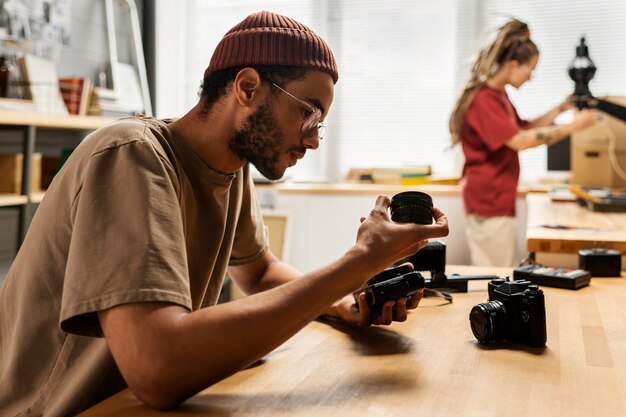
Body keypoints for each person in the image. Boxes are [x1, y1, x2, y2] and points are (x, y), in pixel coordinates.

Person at [0, 11, 448, 415]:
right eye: (308, 114)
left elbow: (259, 272)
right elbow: (159, 367)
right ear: (248, 87)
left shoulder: (232, 169)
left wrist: (343, 302)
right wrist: (357, 264)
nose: (313, 140)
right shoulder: (131, 156)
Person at [449, 18, 600, 267]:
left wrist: (560, 109)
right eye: (529, 71)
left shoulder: (498, 96)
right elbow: (518, 141)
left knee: (503, 267)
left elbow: (523, 128)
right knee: (497, 273)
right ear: (512, 65)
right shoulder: (484, 100)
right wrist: (574, 126)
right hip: (489, 200)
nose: (530, 78)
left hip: (496, 198)